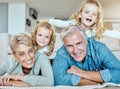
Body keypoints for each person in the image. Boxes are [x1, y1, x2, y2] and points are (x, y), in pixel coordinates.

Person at [52, 25, 120, 86]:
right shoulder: (61, 53)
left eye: (78, 43)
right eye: (70, 46)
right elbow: (60, 80)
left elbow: (118, 73)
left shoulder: (99, 48)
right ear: (65, 46)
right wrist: (99, 79)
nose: (75, 51)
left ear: (86, 41)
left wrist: (81, 72)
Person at [49, 0, 120, 39]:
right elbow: (62, 24)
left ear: (96, 20)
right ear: (80, 15)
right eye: (87, 12)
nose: (90, 15)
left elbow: (111, 33)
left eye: (94, 14)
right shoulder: (73, 23)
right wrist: (49, 21)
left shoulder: (95, 31)